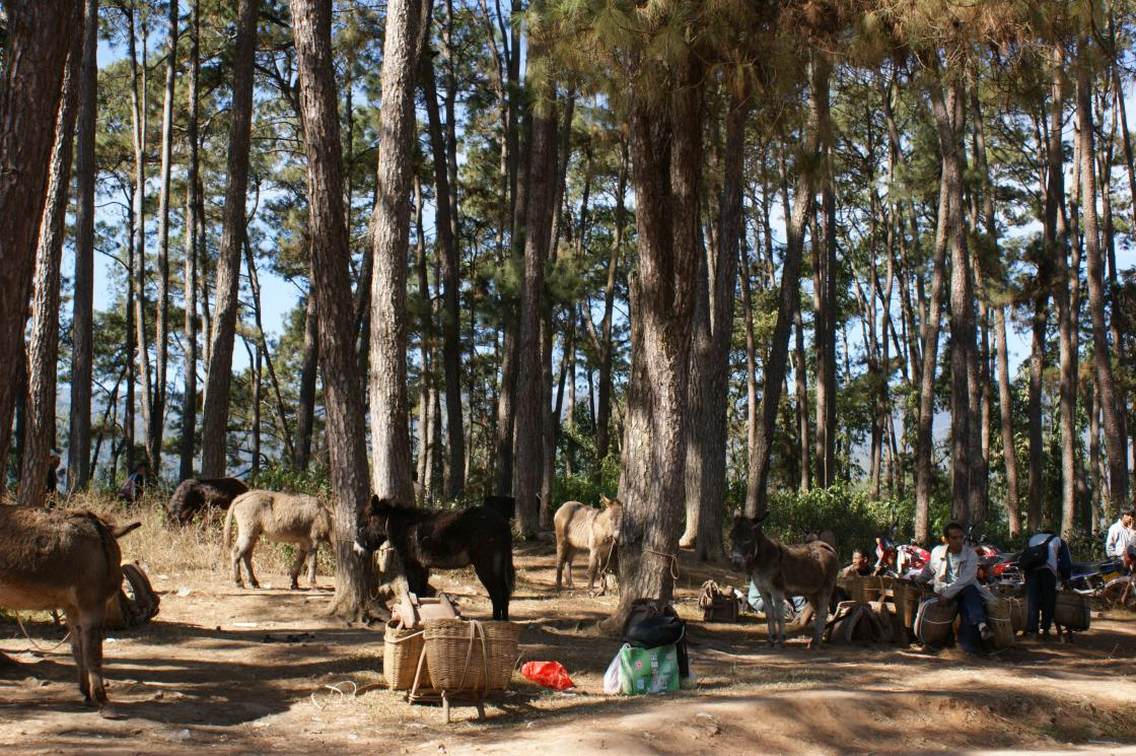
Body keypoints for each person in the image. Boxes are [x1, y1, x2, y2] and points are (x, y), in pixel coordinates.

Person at [914, 521, 994, 654]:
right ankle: (980, 626)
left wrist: (948, 595)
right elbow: (929, 570)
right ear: (946, 539)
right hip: (942, 590)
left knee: (970, 593)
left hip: (963, 590)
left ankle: (969, 645)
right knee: (970, 598)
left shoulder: (971, 554)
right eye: (954, 538)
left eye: (961, 537)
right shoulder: (937, 551)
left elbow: (967, 579)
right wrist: (918, 580)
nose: (958, 541)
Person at [1023, 529, 1072, 640]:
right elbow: (1066, 564)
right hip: (1048, 571)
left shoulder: (1033, 539)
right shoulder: (1058, 540)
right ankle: (1045, 630)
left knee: (1032, 600)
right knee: (1048, 600)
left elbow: (1026, 555)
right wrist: (1066, 578)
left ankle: (1032, 631)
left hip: (1031, 571)